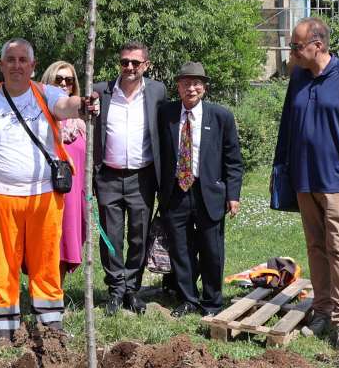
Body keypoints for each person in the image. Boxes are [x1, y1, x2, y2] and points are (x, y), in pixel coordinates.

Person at [0, 38, 97, 347]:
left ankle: (50, 324)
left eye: (23, 60)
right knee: (3, 264)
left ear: (33, 66)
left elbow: (66, 106)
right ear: (1, 65)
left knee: (46, 261)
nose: (17, 65)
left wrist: (84, 104)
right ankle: (4, 329)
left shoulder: (47, 94)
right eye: (11, 59)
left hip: (43, 196)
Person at [274, 17, 339, 351]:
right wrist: (280, 170)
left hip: (336, 182)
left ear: (318, 45)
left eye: (296, 46)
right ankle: (322, 312)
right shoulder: (298, 77)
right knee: (316, 248)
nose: (292, 52)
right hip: (304, 181)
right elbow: (287, 127)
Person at [157, 61, 243, 317]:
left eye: (196, 84)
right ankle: (187, 299)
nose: (191, 88)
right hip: (176, 192)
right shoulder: (166, 114)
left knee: (211, 249)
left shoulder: (221, 116)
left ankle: (212, 302)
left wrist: (233, 195)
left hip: (209, 192)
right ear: (178, 87)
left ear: (204, 88)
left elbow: (233, 160)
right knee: (180, 249)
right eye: (185, 83)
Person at [91, 42, 168, 315]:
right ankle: (115, 289)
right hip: (108, 176)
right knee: (110, 237)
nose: (130, 67)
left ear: (146, 65)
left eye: (136, 63)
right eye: (125, 62)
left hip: (142, 176)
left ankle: (132, 289)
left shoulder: (157, 91)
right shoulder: (101, 91)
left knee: (139, 236)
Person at [40, 61, 87, 282]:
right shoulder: (41, 118)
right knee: (47, 245)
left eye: (69, 80)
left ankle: (56, 292)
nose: (64, 84)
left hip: (74, 195)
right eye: (58, 79)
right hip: (47, 192)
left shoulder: (82, 122)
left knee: (66, 246)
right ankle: (42, 294)